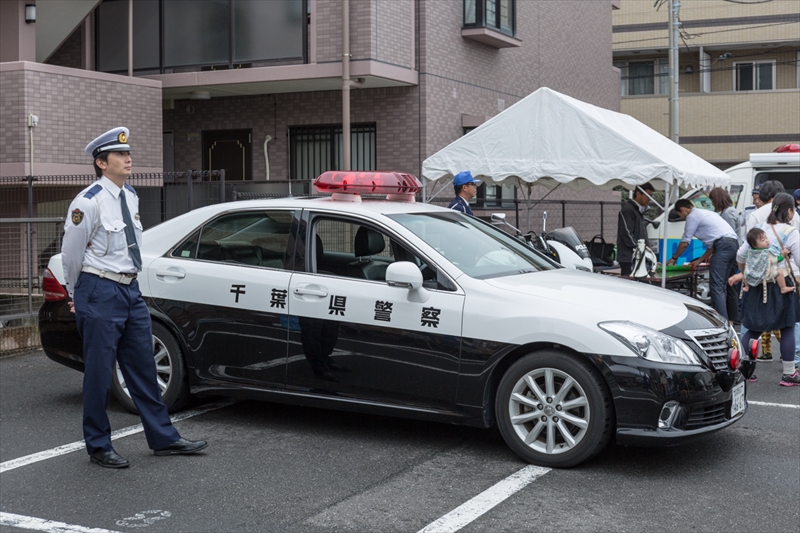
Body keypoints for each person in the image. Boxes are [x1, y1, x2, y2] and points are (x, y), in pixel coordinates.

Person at [62, 127, 208, 468]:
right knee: (99, 373)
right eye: (120, 154)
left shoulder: (130, 195)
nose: (128, 159)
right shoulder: (88, 202)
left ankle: (163, 438)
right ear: (101, 163)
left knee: (143, 365)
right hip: (98, 289)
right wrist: (75, 293)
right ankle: (98, 445)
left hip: (129, 289)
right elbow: (71, 254)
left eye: (128, 154)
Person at [728, 193, 800, 386]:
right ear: (789, 210)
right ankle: (789, 373)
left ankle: (743, 369)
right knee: (787, 327)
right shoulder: (791, 231)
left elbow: (740, 255)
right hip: (781, 282)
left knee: (754, 329)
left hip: (757, 285)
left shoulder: (759, 229)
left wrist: (747, 275)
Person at [667, 198, 738, 321]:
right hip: (733, 245)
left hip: (722, 246)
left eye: (680, 215)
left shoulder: (692, 216)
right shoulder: (705, 213)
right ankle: (730, 320)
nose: (682, 218)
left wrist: (674, 258)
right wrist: (700, 260)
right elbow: (712, 246)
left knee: (716, 287)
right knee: (724, 285)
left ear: (683, 210)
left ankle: (721, 321)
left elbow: (685, 242)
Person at [709, 187, 741, 324]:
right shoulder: (729, 211)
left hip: (729, 251)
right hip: (734, 252)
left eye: (712, 200)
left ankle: (727, 320)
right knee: (729, 285)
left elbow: (727, 234)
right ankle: (732, 318)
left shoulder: (727, 213)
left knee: (723, 285)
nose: (712, 203)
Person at [616, 182, 655, 276]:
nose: (649, 199)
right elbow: (626, 233)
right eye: (647, 195)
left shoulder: (638, 210)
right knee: (630, 282)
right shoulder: (628, 209)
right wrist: (639, 249)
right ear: (638, 194)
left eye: (651, 196)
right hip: (629, 257)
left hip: (637, 255)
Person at [741, 228, 794, 296]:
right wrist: (783, 255)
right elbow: (776, 260)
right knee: (779, 272)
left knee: (745, 273)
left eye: (766, 238)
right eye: (763, 240)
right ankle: (783, 288)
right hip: (765, 274)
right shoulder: (766, 252)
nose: (766, 241)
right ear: (754, 245)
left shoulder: (749, 252)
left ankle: (747, 286)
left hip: (752, 274)